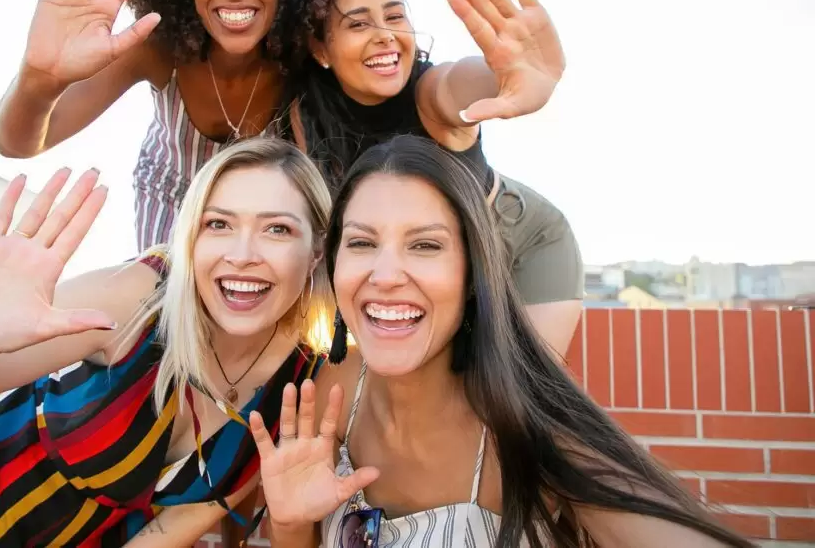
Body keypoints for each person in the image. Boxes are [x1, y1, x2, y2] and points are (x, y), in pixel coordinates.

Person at [247, 135, 753, 548]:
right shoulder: (329, 392)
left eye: (424, 245)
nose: (385, 273)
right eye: (361, 242)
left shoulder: (532, 427)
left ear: (472, 273)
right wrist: (290, 524)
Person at [0, 137, 333, 548]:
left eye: (277, 229)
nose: (242, 254)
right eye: (218, 224)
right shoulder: (138, 299)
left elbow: (176, 526)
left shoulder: (298, 386)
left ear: (316, 249)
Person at [0, 0, 368, 251]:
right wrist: (39, 79)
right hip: (172, 206)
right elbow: (18, 143)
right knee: (166, 302)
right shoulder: (156, 48)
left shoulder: (303, 57)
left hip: (266, 213)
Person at [290, 0, 582, 357]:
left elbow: (458, 84)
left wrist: (504, 77)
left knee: (512, 402)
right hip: (434, 260)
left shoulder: (431, 93)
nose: (385, 35)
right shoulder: (307, 111)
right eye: (358, 23)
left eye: (394, 17)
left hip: (523, 242)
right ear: (321, 47)